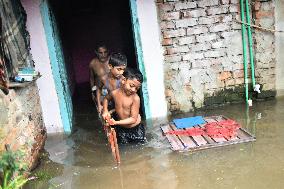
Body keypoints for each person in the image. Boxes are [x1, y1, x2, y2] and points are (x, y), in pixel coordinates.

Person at [102, 67, 146, 144]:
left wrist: (116, 123)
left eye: (137, 88)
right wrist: (105, 111)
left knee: (139, 148)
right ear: (123, 80)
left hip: (135, 129)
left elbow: (133, 119)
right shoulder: (114, 93)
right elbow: (106, 99)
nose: (133, 90)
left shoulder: (135, 98)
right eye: (131, 85)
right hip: (121, 128)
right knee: (123, 147)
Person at [89, 44, 110, 111]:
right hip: (100, 92)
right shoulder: (92, 63)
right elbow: (92, 78)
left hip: (112, 90)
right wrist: (92, 92)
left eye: (105, 52)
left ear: (108, 52)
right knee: (101, 111)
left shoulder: (112, 61)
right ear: (96, 52)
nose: (103, 55)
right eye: (100, 53)